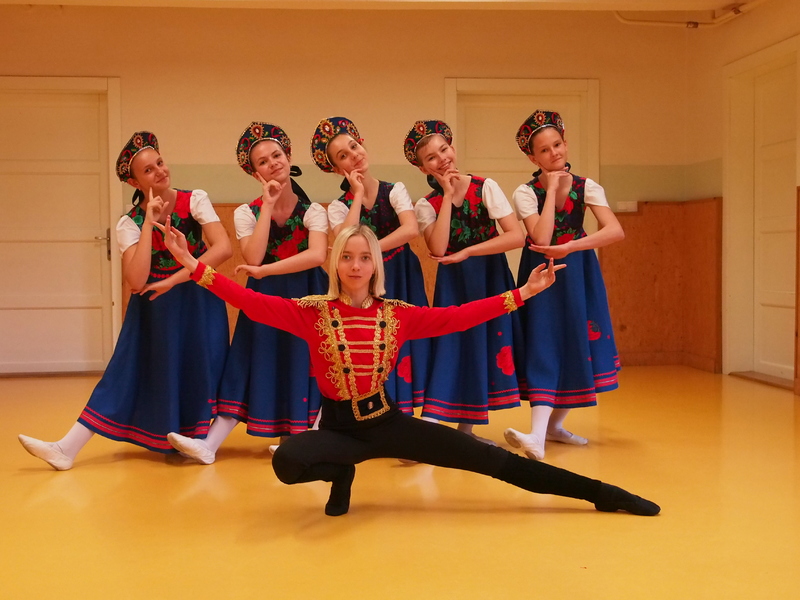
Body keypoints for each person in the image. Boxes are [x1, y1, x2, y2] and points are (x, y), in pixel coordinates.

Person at [159, 222, 658, 518]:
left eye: (364, 258)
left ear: (375, 265)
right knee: (287, 462)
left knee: (488, 460)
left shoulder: (396, 315)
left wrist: (522, 293)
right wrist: (190, 262)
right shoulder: (312, 312)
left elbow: (457, 317)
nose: (356, 266)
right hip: (337, 430)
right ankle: (342, 474)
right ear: (336, 264)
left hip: (388, 423)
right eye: (347, 258)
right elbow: (246, 299)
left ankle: (601, 495)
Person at [18, 131, 231, 469]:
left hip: (199, 302)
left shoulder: (195, 200)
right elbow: (136, 279)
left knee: (202, 368)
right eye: (148, 170)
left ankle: (200, 442)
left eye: (159, 163)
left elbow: (223, 249)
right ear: (134, 181)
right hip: (155, 312)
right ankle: (66, 448)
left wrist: (174, 280)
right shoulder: (128, 223)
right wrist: (148, 224)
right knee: (126, 373)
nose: (159, 171)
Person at [168, 122, 329, 464]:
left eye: (277, 155)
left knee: (306, 365)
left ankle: (305, 441)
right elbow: (253, 256)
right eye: (263, 162)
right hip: (263, 300)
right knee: (246, 363)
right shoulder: (247, 212)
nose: (273, 164)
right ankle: (209, 445)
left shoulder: (313, 211)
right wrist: (268, 205)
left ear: (288, 157)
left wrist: (266, 271)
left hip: (307, 297)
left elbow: (317, 256)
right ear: (255, 173)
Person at [504, 110, 625, 461]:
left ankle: (551, 429)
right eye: (544, 150)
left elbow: (614, 231)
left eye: (557, 145)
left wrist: (571, 247)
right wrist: (553, 189)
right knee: (544, 343)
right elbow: (541, 238)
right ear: (533, 159)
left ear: (566, 144)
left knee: (577, 341)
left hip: (579, 273)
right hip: (540, 276)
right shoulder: (526, 192)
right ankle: (538, 436)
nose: (554, 153)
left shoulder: (588, 186)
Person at [405, 120, 525, 442]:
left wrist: (469, 251)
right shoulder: (426, 204)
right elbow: (438, 248)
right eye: (431, 157)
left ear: (453, 148)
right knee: (451, 348)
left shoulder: (485, 187)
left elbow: (516, 236)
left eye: (444, 149)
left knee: (482, 348)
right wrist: (446, 195)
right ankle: (427, 434)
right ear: (423, 168)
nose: (441, 159)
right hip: (453, 286)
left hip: (489, 278)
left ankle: (465, 433)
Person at [310, 116, 428, 413]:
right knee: (371, 345)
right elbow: (346, 243)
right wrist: (358, 195)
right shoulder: (338, 207)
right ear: (336, 168)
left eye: (353, 146)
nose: (353, 155)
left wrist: (369, 251)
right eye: (343, 156)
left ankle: (406, 415)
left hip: (401, 273)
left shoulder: (395, 189)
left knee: (405, 343)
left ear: (362, 144)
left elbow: (410, 229)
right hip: (363, 283)